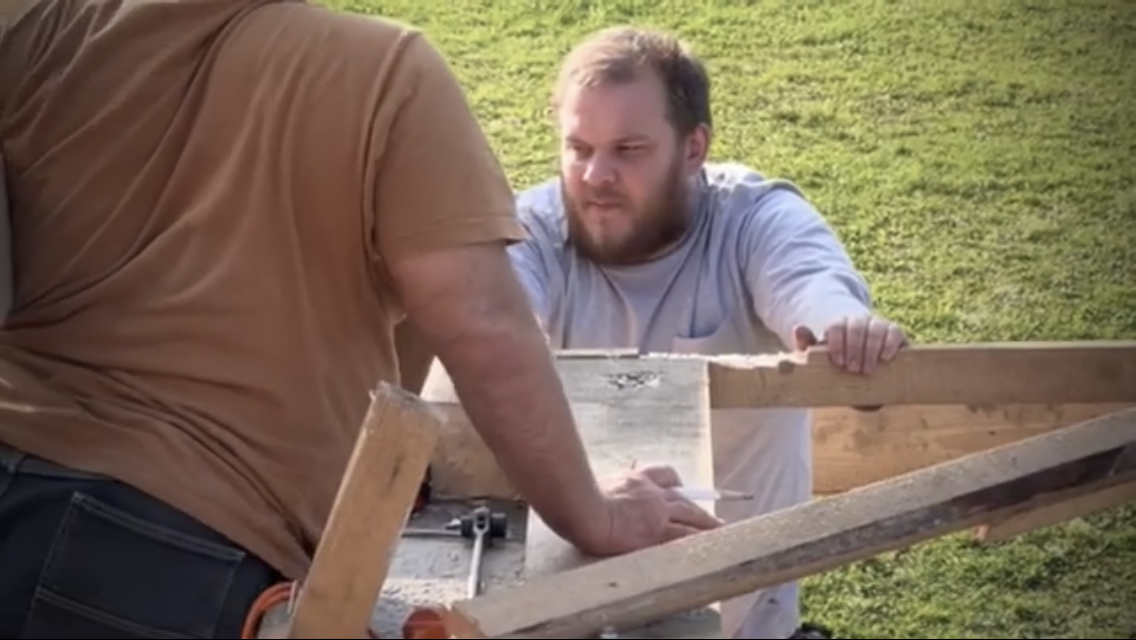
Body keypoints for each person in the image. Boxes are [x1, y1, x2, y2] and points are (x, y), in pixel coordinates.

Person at [0, 3, 720, 637]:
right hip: (169, 554)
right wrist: (595, 514)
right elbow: (481, 326)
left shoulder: (41, 24)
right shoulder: (382, 74)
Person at [508, 26, 910, 639]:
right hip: (570, 601)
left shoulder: (753, 216)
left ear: (693, 148)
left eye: (628, 149)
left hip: (742, 617)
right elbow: (500, 329)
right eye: (579, 148)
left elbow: (811, 284)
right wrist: (583, 497)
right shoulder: (534, 228)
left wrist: (843, 330)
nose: (595, 175)